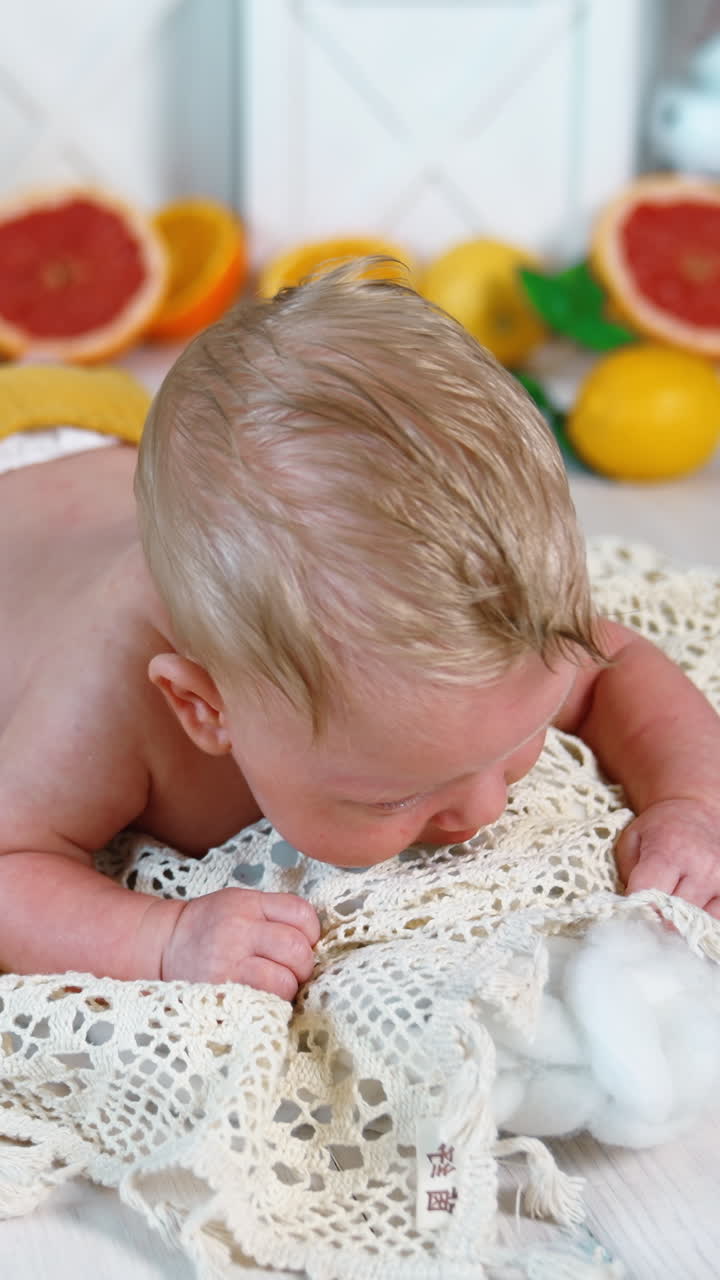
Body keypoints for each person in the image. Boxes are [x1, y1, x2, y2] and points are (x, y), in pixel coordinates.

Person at [1, 264, 719, 999]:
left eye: (514, 742)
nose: (484, 810)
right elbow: (10, 865)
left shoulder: (468, 639)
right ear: (204, 708)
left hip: (114, 430)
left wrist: (692, 804)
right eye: (390, 798)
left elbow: (616, 660)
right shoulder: (104, 697)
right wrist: (162, 941)